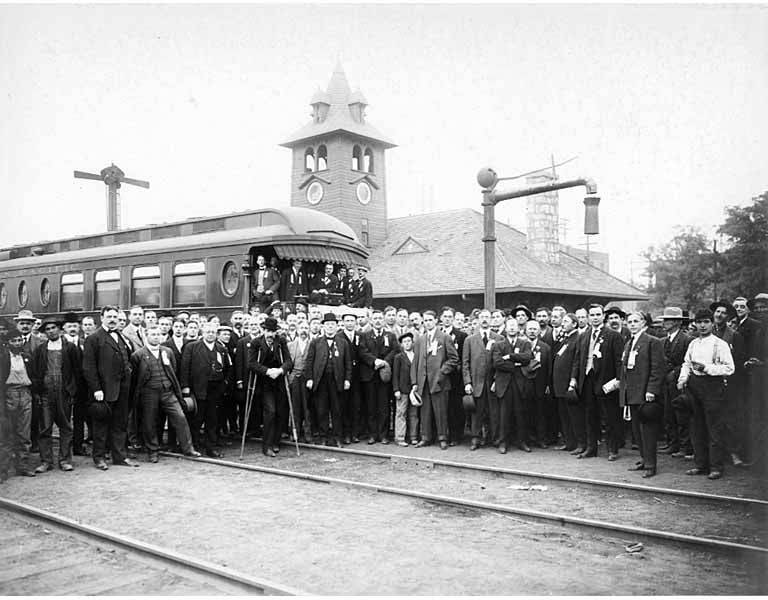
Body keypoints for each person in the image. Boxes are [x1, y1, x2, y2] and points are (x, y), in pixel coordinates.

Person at [677, 308, 735, 480]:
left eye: (706, 322)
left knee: (714, 428)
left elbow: (730, 368)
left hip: (712, 386)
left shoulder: (720, 344)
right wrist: (682, 379)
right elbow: (686, 363)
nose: (702, 326)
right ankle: (701, 465)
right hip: (695, 386)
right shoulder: (693, 343)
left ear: (712, 323)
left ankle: (716, 467)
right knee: (697, 427)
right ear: (695, 324)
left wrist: (707, 368)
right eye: (699, 322)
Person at [130, 325, 200, 462]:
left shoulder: (167, 351)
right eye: (153, 334)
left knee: (180, 417)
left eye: (158, 335)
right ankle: (153, 451)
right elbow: (135, 378)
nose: (156, 337)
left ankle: (188, 448)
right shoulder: (137, 355)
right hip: (149, 393)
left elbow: (172, 370)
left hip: (168, 392)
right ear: (146, 336)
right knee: (149, 422)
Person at [82, 305, 139, 470]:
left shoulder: (120, 336)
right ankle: (99, 458)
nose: (113, 319)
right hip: (104, 390)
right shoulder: (94, 339)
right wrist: (96, 389)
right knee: (101, 424)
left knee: (120, 424)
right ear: (102, 318)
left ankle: (120, 456)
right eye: (109, 316)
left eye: (115, 316)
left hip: (122, 388)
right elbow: (89, 367)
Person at [569, 304, 624, 461]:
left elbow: (619, 361)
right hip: (586, 380)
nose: (594, 317)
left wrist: (617, 381)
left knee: (609, 416)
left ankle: (612, 449)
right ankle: (591, 448)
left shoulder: (613, 336)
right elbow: (577, 360)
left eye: (598, 314)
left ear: (603, 316)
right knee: (589, 415)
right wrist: (574, 379)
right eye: (592, 315)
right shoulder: (583, 336)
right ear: (588, 317)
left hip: (605, 381)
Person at [620, 311, 666, 478]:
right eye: (629, 321)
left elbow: (657, 368)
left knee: (648, 430)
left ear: (644, 323)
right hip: (631, 392)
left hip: (645, 393)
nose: (632, 324)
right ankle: (644, 459)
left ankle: (651, 465)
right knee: (636, 430)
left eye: (636, 321)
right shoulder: (629, 343)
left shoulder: (652, 342)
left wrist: (651, 390)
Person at [30, 317, 79, 473]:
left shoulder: (70, 348)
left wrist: (72, 391)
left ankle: (65, 460)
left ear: (60, 329)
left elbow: (77, 372)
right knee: (45, 428)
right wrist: (38, 391)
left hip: (64, 393)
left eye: (53, 328)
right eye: (47, 329)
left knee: (65, 427)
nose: (51, 331)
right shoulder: (40, 349)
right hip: (46, 393)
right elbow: (36, 372)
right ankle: (46, 461)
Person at [180, 322, 231, 458]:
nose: (210, 334)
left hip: (215, 390)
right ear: (202, 333)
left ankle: (211, 447)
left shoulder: (221, 349)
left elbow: (227, 368)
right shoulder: (192, 347)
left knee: (212, 419)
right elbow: (185, 368)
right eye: (208, 332)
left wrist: (224, 384)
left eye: (213, 332)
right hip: (197, 389)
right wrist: (185, 387)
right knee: (197, 418)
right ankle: (194, 445)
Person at [411, 310, 459, 450]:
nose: (428, 323)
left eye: (430, 320)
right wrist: (415, 382)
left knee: (441, 411)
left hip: (440, 382)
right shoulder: (420, 339)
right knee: (425, 412)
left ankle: (442, 437)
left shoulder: (444, 338)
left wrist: (442, 372)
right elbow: (416, 362)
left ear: (436, 320)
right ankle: (426, 437)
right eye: (425, 320)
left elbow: (454, 359)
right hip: (423, 382)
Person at [304, 313, 351, 447]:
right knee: (322, 409)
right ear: (323, 326)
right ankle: (323, 437)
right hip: (321, 380)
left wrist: (347, 379)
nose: (330, 327)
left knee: (337, 409)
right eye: (327, 324)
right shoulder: (315, 342)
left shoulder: (343, 343)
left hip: (337, 380)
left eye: (333, 324)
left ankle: (337, 437)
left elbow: (348, 363)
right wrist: (310, 378)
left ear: (337, 327)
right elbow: (309, 362)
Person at [248, 317, 292, 457]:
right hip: (264, 383)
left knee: (280, 412)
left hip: (279, 381)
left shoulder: (281, 341)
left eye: (273, 331)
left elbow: (288, 361)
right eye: (268, 331)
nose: (270, 334)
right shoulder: (256, 343)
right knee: (270, 412)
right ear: (263, 330)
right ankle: (266, 446)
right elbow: (251, 363)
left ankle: (275, 442)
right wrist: (267, 371)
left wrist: (280, 370)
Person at [462, 308, 503, 451]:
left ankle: (495, 438)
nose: (485, 320)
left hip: (492, 383)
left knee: (494, 412)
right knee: (476, 412)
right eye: (482, 317)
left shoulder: (499, 338)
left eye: (487, 317)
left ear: (491, 320)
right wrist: (467, 382)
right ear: (478, 320)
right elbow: (465, 363)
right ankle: (476, 438)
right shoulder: (470, 340)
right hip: (476, 382)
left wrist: (497, 381)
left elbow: (502, 363)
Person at [491, 318, 534, 453]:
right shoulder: (498, 345)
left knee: (520, 413)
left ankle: (522, 442)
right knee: (504, 415)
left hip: (520, 383)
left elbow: (527, 358)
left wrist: (510, 356)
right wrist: (516, 364)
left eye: (514, 326)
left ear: (519, 328)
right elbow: (497, 363)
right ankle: (503, 442)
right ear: (505, 328)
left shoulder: (525, 343)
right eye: (509, 326)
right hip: (504, 384)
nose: (512, 328)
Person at [358, 309, 398, 444]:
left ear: (384, 320)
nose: (378, 321)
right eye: (375, 318)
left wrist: (384, 362)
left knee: (384, 406)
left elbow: (395, 350)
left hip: (384, 377)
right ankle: (372, 434)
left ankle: (384, 435)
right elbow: (362, 352)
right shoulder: (365, 336)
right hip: (370, 375)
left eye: (380, 318)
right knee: (371, 406)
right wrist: (375, 361)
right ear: (371, 320)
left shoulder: (391, 336)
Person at [0, 330, 36, 477]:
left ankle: (23, 466)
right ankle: (4, 469)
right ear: (8, 343)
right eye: (14, 341)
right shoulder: (3, 358)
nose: (17, 343)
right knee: (7, 433)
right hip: (9, 394)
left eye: (19, 340)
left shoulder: (27, 357)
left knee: (24, 433)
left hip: (26, 394)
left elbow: (35, 376)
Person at [658, 307, 693, 458]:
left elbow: (688, 362)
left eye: (668, 320)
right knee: (668, 413)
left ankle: (685, 446)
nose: (665, 323)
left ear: (678, 322)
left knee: (682, 414)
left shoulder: (686, 339)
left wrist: (675, 373)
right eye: (664, 319)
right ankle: (673, 443)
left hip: (679, 382)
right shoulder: (664, 340)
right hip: (666, 382)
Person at [551, 313, 583, 454]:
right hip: (559, 384)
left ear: (574, 324)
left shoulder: (578, 339)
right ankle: (569, 442)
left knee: (574, 415)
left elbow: (576, 361)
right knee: (564, 415)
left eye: (566, 321)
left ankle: (579, 443)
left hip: (568, 384)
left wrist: (572, 380)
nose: (563, 324)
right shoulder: (566, 339)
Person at [62, 311, 90, 456]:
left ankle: (78, 446)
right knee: (65, 418)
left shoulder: (85, 343)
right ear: (64, 328)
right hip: (65, 387)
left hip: (81, 388)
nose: (72, 328)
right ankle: (65, 448)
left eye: (75, 326)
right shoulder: (60, 344)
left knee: (79, 418)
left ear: (79, 328)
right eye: (69, 326)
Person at [522, 320, 552, 449]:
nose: (532, 331)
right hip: (524, 384)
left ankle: (541, 438)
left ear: (539, 331)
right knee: (525, 412)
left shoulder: (545, 347)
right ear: (525, 330)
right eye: (530, 329)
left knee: (540, 412)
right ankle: (527, 439)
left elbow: (549, 368)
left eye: (535, 329)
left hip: (540, 384)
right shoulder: (521, 345)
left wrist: (547, 385)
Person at [441, 307, 468, 446]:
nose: (447, 318)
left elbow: (464, 358)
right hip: (440, 376)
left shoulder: (461, 335)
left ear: (453, 318)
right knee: (441, 406)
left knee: (455, 407)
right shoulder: (436, 334)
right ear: (441, 318)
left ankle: (455, 435)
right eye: (445, 316)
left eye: (450, 316)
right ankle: (441, 434)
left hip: (455, 377)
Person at [287, 319, 312, 442]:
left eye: (306, 328)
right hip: (294, 379)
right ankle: (294, 432)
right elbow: (287, 364)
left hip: (307, 379)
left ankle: (308, 433)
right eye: (301, 328)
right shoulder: (290, 345)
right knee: (295, 407)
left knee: (307, 407)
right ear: (297, 330)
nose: (303, 330)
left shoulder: (313, 344)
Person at [393, 332, 417, 446]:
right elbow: (395, 375)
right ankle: (400, 437)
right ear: (402, 344)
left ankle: (413, 436)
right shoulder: (399, 357)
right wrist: (396, 389)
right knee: (401, 413)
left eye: (409, 341)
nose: (407, 344)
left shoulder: (417, 355)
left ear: (413, 342)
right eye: (404, 342)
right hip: (402, 389)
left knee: (414, 414)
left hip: (414, 390)